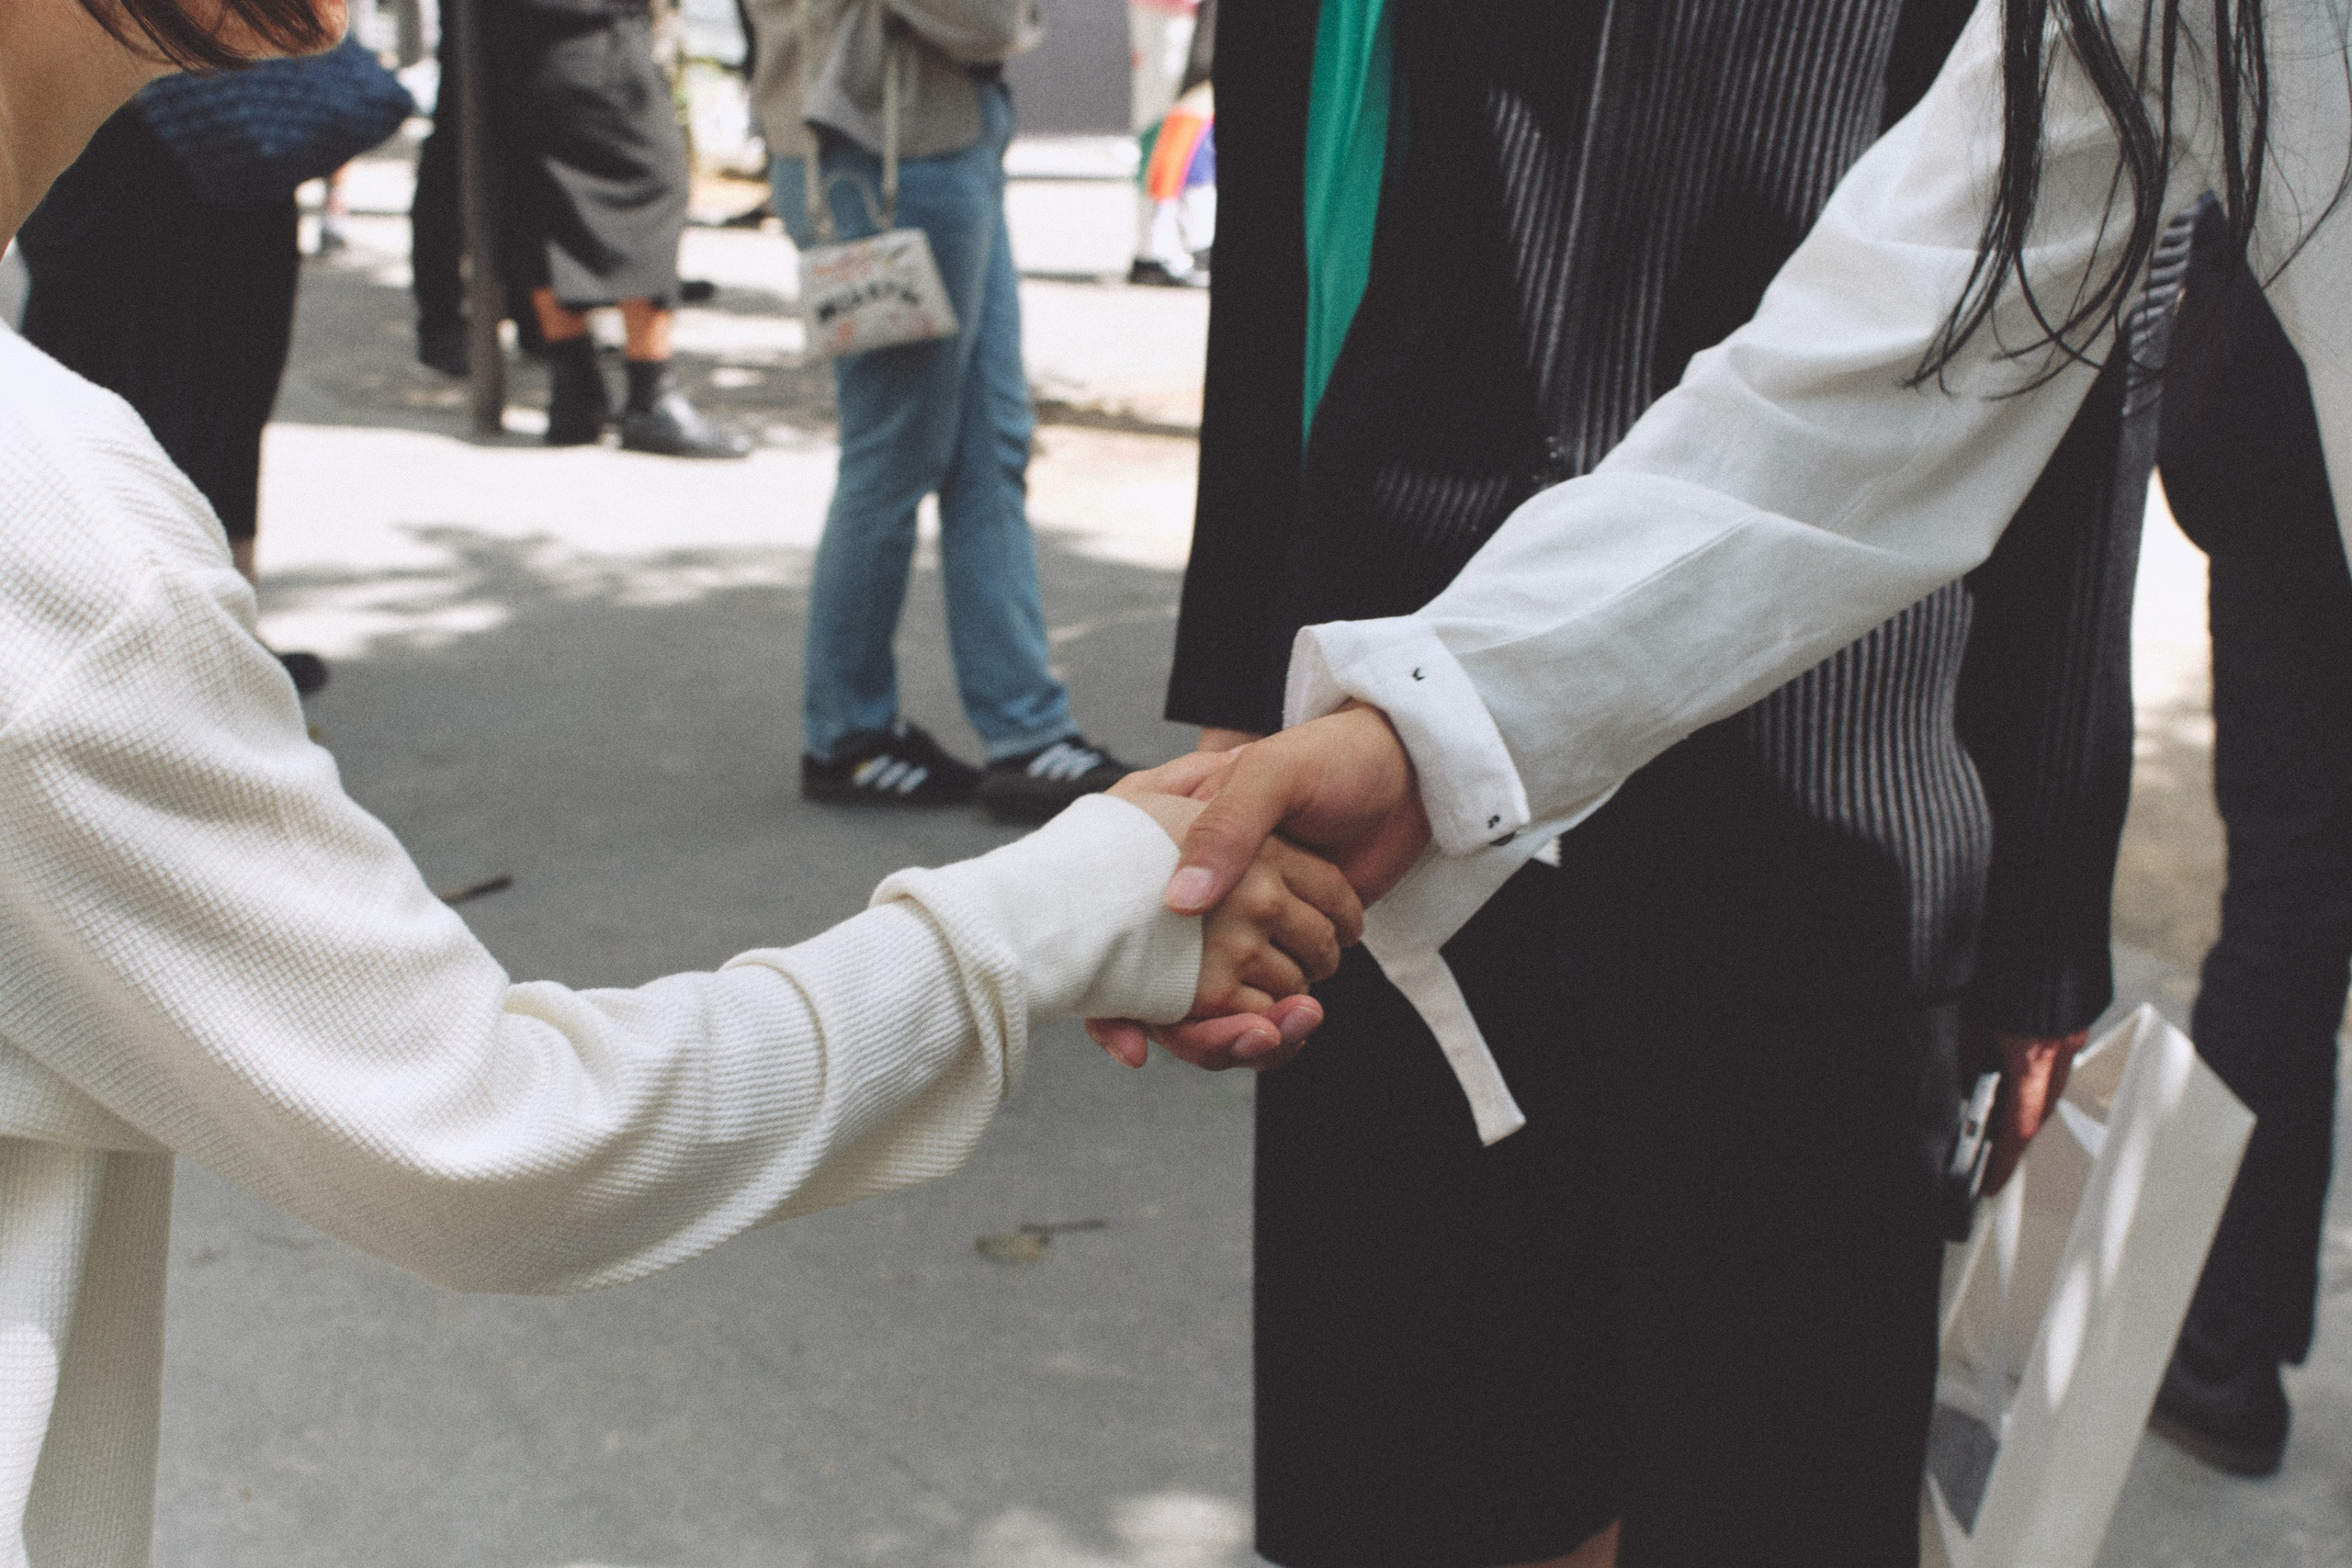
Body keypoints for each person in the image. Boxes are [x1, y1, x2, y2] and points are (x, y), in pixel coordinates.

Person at [0, 0, 1353, 1552]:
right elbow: (502, 1136)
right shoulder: (59, 542)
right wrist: (1084, 896)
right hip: (897, 155)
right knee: (907, 453)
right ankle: (864, 708)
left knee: (960, 457)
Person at [1159, 0, 2155, 1561]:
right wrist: (1236, 694)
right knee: (1423, 1471)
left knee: (1768, 1480)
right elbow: (1282, 227)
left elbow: (2078, 354)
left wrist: (2044, 907)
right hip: (1397, 724)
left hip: (1816, 759)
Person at [749, 0, 1139, 820]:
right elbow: (989, 18)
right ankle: (848, 738)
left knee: (988, 445)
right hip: (884, 153)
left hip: (923, 142)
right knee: (893, 457)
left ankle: (1026, 734)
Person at [2145, 195, 2350, 1479]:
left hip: (2292, 473)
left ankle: (2226, 1344)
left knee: (2284, 905)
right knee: (2288, 906)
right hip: (2289, 473)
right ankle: (2225, 1338)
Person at [16, 93, 331, 694]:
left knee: (181, 393)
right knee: (161, 396)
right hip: (164, 142)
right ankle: (197, 628)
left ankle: (211, 624)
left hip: (160, 148)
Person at [411, 0, 749, 457]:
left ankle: (575, 387)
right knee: (648, 177)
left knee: (538, 190)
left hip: (503, 33)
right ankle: (650, 390)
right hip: (581, 28)